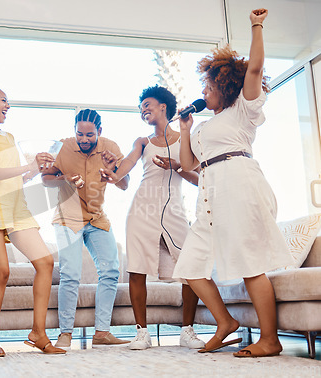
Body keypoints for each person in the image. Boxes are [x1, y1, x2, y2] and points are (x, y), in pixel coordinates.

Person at [172, 8, 294, 357]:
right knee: (190, 266)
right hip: (210, 194)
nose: (204, 91)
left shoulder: (243, 108)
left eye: (208, 86)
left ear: (224, 86)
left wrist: (256, 26)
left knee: (249, 263)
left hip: (239, 186)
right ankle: (225, 323)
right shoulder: (202, 127)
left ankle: (270, 340)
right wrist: (183, 131)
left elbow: (254, 68)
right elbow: (188, 164)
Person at [99, 86, 204, 350]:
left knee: (189, 267)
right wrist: (111, 169)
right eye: (141, 107)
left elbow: (200, 178)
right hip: (141, 210)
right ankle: (141, 333)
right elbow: (122, 172)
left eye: (147, 104)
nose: (143, 109)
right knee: (137, 270)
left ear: (163, 107)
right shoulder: (142, 142)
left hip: (175, 211)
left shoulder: (184, 138)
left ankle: (187, 330)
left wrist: (177, 166)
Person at [0, 86, 66, 356]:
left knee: (45, 263)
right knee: (1, 272)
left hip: (16, 207)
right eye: (3, 100)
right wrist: (30, 164)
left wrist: (37, 167)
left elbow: (17, 178)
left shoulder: (8, 136)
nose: (8, 105)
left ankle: (38, 333)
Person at [41, 109, 130, 349]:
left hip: (96, 217)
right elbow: (45, 179)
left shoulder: (111, 148)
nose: (84, 139)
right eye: (79, 134)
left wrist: (112, 171)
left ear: (99, 132)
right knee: (71, 274)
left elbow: (124, 184)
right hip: (68, 218)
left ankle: (102, 332)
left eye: (89, 134)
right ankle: (66, 333)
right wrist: (65, 179)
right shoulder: (63, 147)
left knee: (111, 271)